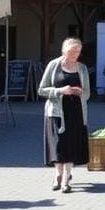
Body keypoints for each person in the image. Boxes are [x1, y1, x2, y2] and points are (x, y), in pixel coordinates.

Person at [39, 37, 91, 193]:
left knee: (70, 144)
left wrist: (79, 92)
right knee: (58, 145)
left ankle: (66, 178)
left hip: (76, 111)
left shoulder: (82, 68)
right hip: (56, 112)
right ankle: (57, 174)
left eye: (77, 52)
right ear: (63, 51)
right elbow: (41, 89)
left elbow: (88, 93)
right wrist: (60, 91)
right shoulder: (54, 66)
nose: (75, 54)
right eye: (71, 51)